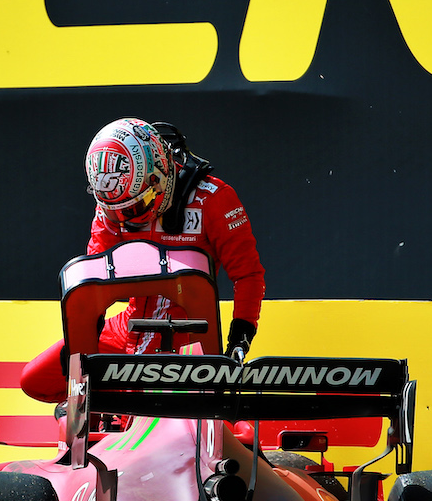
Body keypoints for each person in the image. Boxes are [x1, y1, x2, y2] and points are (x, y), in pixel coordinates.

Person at [20, 118, 266, 403]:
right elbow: (93, 282)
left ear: (159, 173)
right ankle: (101, 407)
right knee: (37, 379)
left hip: (190, 333)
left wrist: (239, 341)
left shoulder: (215, 199)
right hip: (129, 325)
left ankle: (125, 411)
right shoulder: (113, 206)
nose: (128, 218)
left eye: (136, 206)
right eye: (117, 211)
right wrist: (81, 341)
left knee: (143, 410)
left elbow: (247, 275)